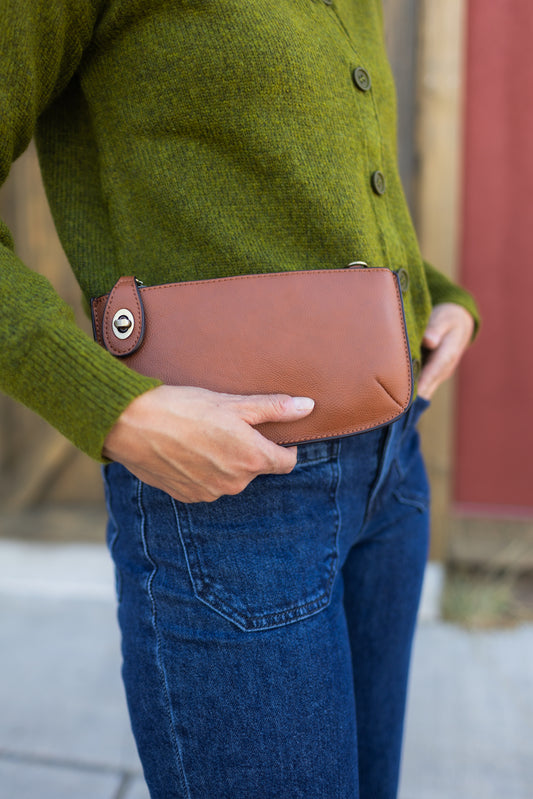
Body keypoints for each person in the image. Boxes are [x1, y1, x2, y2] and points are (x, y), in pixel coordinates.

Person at [0, 1, 478, 797]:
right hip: (231, 504)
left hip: (393, 469)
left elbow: (313, 177)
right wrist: (111, 408)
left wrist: (430, 293)